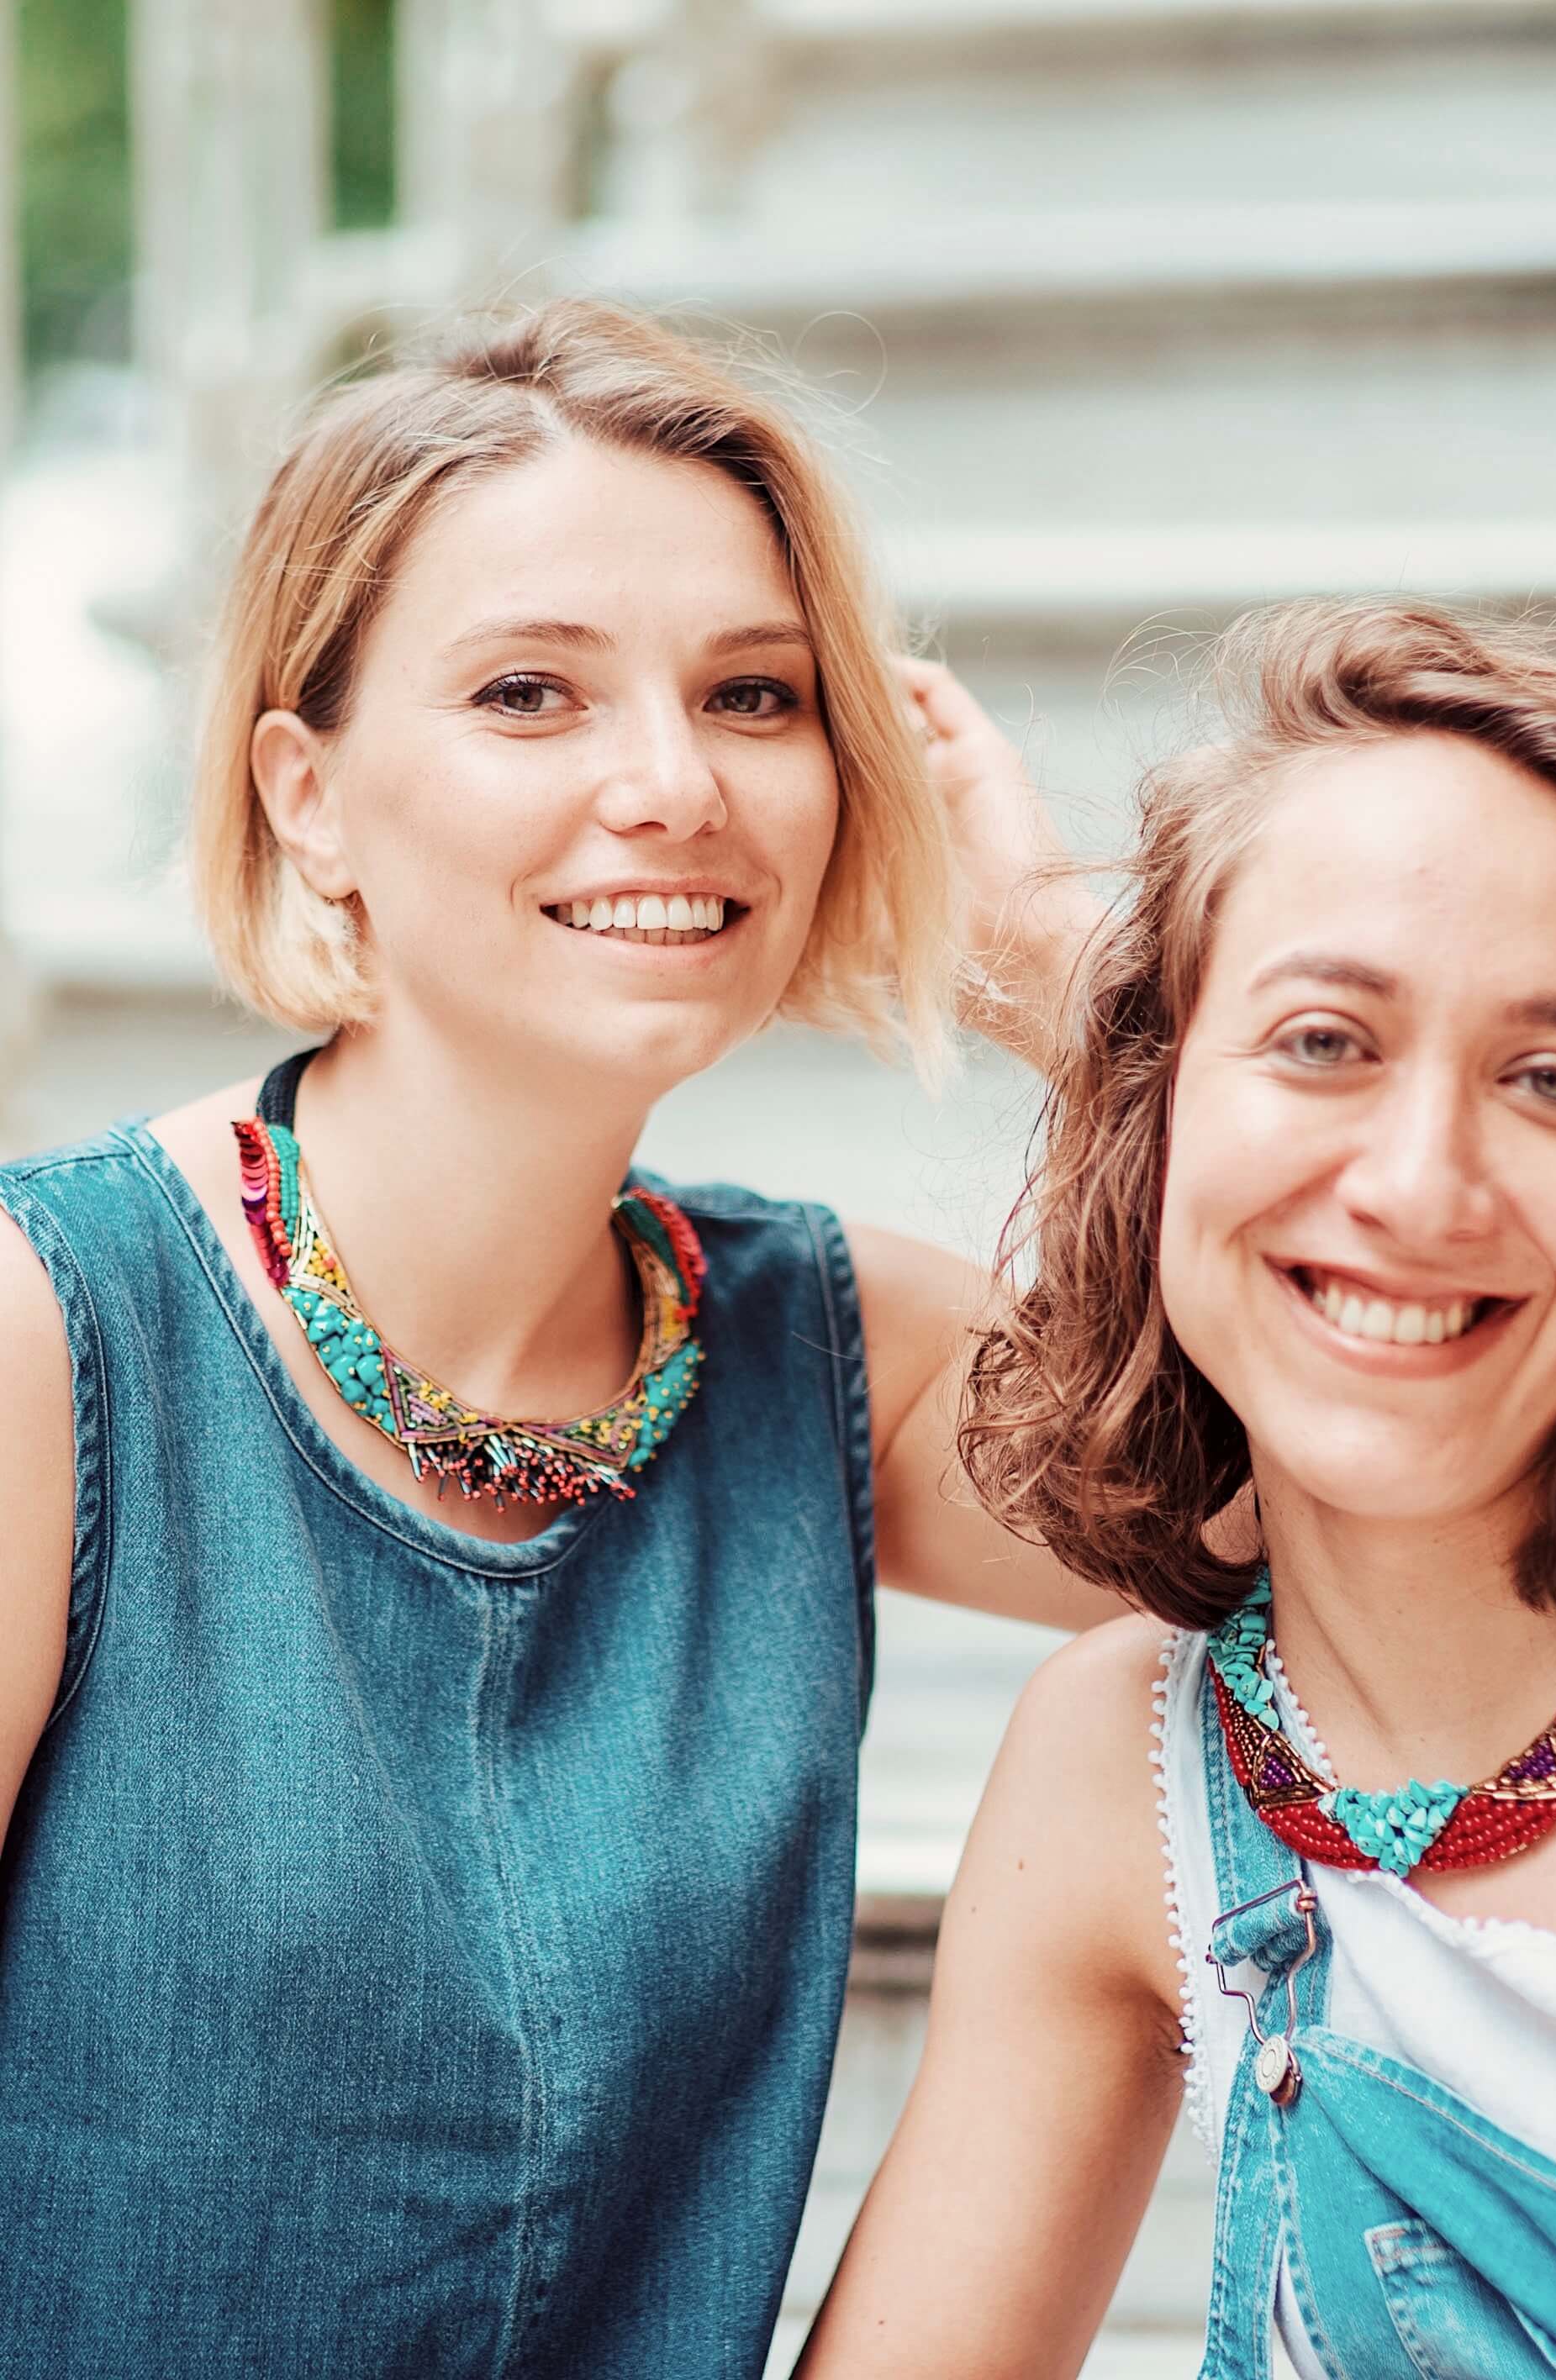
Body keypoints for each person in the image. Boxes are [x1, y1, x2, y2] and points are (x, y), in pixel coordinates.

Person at [0, 300, 1105, 2379]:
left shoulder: (817, 1345)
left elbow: (1442, 1497)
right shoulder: (52, 1342)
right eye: (533, 693)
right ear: (306, 796)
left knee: (1148, 1733)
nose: (675, 785)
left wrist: (1063, 977)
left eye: (756, 697)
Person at [796, 599, 1556, 2379]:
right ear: (1156, 1087)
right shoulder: (1128, 1779)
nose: (1421, 1183)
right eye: (1327, 1043)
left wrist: (1044, 940)